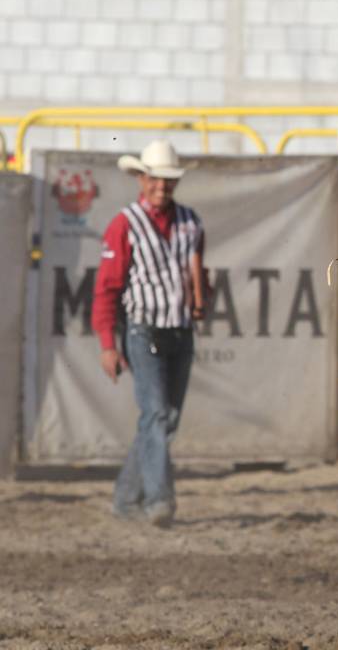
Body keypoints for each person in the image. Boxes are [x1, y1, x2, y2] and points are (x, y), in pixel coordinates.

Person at [92, 140, 207, 528]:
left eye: (168, 180)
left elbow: (197, 275)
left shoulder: (191, 222)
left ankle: (126, 498)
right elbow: (107, 288)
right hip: (142, 330)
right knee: (158, 415)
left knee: (162, 419)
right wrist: (109, 344)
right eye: (155, 179)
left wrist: (199, 297)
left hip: (180, 330)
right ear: (141, 179)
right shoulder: (124, 225)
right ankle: (160, 500)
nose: (161, 186)